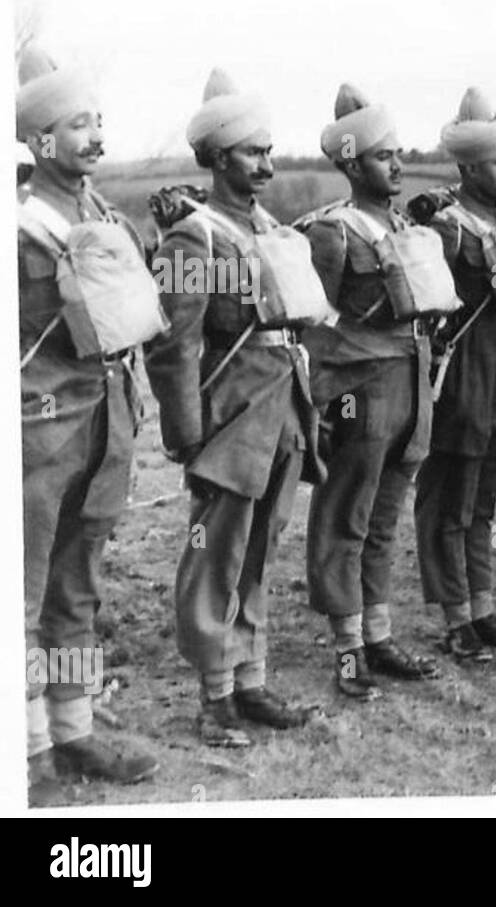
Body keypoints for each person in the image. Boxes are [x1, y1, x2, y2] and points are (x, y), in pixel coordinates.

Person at [145, 69, 324, 746]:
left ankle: (250, 680)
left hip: (281, 414)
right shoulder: (194, 238)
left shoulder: (270, 228)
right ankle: (214, 695)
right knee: (216, 555)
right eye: (253, 152)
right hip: (229, 420)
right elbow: (174, 345)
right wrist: (188, 434)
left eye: (270, 150)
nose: (268, 165)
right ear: (219, 157)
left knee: (258, 552)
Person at [17, 46, 160, 798]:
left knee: (78, 588)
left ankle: (74, 732)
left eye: (99, 122)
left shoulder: (102, 214)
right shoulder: (18, 227)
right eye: (79, 125)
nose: (96, 138)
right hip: (38, 432)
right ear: (41, 142)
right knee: (24, 594)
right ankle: (28, 746)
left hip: (105, 423)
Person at [297, 84, 441, 700]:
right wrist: (328, 397)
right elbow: (312, 321)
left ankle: (378, 636)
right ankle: (348, 648)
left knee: (385, 520)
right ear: (353, 165)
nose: (398, 164)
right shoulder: (332, 233)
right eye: (384, 157)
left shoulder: (404, 226)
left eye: (399, 152)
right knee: (345, 518)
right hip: (362, 391)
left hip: (412, 385)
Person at [411, 87, 496, 660]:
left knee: (485, 502)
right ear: (468, 168)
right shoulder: (446, 230)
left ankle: (483, 608)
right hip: (464, 378)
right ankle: (454, 617)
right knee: (450, 501)